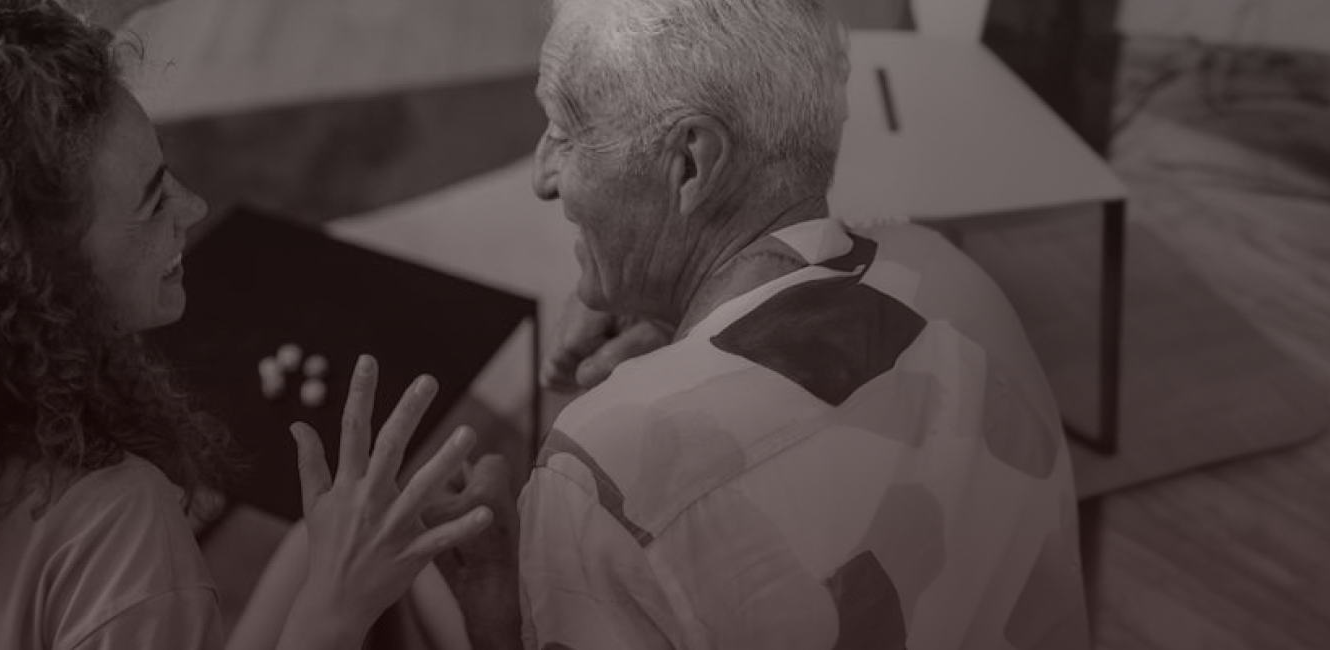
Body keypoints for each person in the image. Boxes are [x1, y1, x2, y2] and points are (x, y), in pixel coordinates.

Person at [0, 0, 494, 648]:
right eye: (153, 201)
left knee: (308, 548)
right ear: (35, 276)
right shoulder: (118, 530)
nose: (192, 207)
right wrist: (335, 613)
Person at [422, 0, 1095, 648]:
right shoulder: (958, 282)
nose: (543, 176)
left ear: (690, 163)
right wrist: (673, 316)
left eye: (567, 133)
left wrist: (496, 603)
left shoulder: (604, 468)